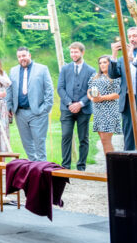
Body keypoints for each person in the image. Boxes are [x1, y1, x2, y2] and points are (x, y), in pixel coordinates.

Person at [7, 47, 54, 161]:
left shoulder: (42, 69)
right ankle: (34, 169)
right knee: (27, 143)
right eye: (19, 57)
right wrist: (9, 107)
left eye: (24, 56)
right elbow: (9, 89)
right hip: (20, 112)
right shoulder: (13, 71)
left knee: (39, 143)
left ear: (29, 55)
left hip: (37, 112)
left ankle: (43, 170)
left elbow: (49, 90)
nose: (22, 58)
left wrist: (45, 108)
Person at [57, 42, 95, 170]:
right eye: (72, 52)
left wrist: (80, 104)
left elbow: (91, 90)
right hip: (66, 109)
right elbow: (60, 88)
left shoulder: (91, 70)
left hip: (84, 109)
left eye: (76, 52)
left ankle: (81, 166)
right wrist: (69, 103)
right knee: (66, 135)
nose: (73, 54)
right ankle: (65, 166)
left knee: (83, 137)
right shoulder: (65, 69)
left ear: (82, 52)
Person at [87, 55, 122, 156]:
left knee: (106, 139)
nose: (102, 65)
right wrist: (92, 98)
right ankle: (111, 163)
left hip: (110, 111)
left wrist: (101, 98)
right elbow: (89, 91)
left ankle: (112, 165)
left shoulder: (115, 77)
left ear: (110, 64)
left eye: (104, 62)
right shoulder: (95, 76)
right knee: (103, 140)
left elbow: (118, 94)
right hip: (98, 111)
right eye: (100, 63)